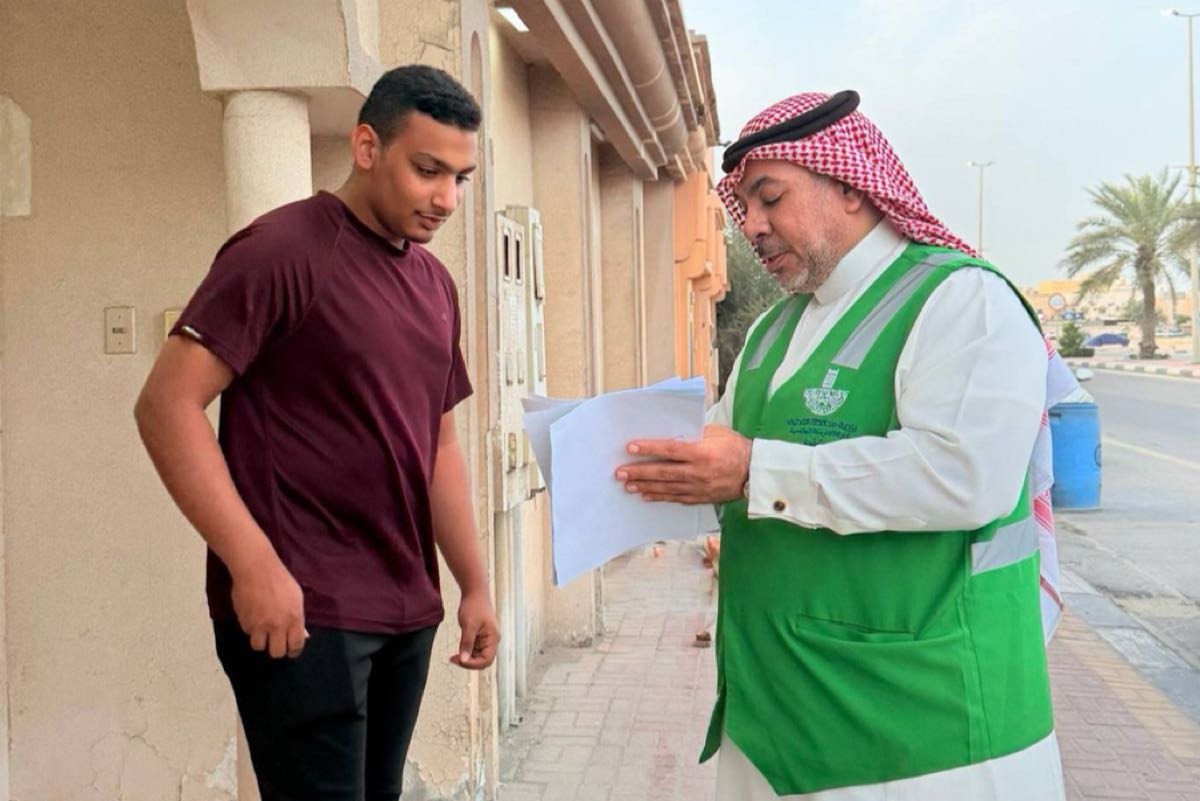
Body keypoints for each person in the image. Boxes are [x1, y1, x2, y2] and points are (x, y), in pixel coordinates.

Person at [616, 90, 1072, 800]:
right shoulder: (771, 331)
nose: (752, 225)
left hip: (924, 736)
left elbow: (963, 477)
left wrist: (754, 472)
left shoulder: (962, 300)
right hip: (774, 720)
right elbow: (718, 458)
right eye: (744, 206)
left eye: (771, 198)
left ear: (853, 188)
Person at [134, 64, 498, 801]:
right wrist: (252, 563)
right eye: (428, 170)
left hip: (406, 607)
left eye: (460, 178)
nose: (446, 199)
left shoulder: (435, 285)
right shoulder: (281, 250)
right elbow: (166, 406)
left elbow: (439, 445)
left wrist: (476, 583)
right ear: (367, 147)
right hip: (303, 611)